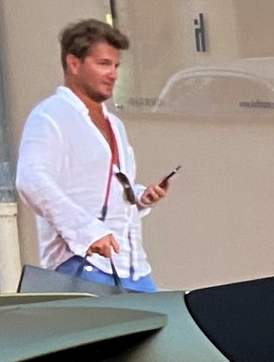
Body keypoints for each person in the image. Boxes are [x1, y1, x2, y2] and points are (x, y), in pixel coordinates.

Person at [16, 19, 169, 292]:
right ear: (74, 64)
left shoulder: (115, 124)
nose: (112, 74)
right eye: (103, 64)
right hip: (81, 264)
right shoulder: (50, 116)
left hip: (131, 265)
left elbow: (101, 188)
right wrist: (87, 232)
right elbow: (31, 180)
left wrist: (141, 197)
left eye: (116, 66)